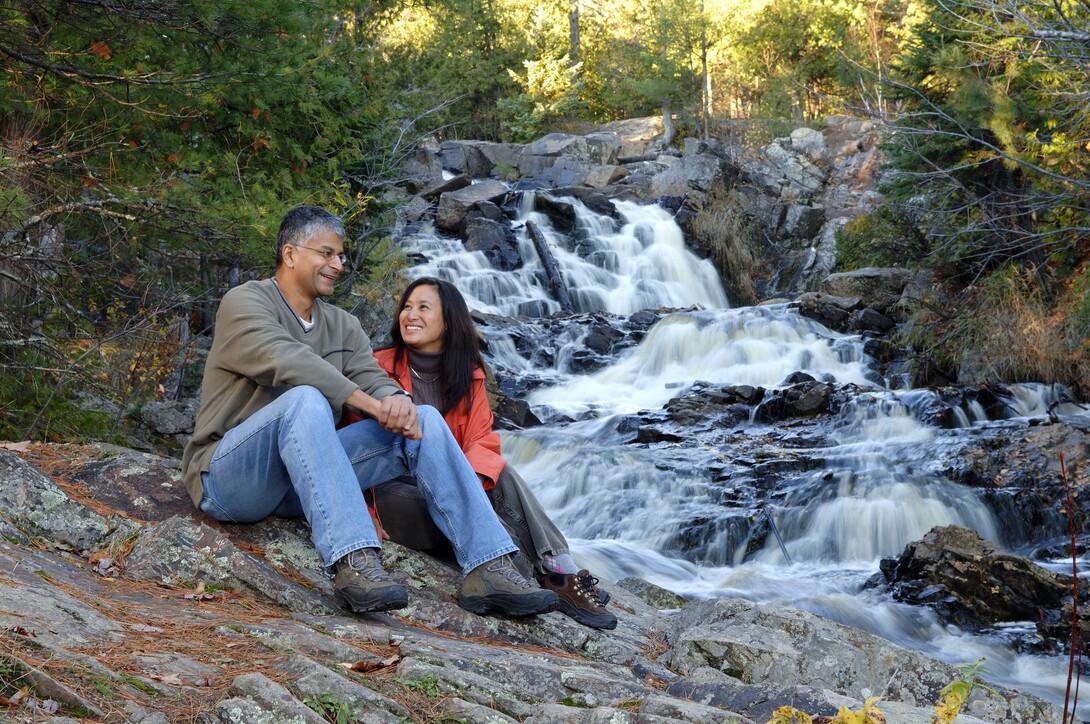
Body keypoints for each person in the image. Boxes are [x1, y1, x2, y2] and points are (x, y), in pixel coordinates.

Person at [180, 206, 557, 619]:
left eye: (340, 256)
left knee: (425, 419)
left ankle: (488, 566)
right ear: (290, 254)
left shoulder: (343, 324)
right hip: (231, 479)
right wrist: (372, 405)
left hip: (300, 482)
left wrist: (397, 401)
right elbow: (285, 360)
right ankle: (355, 561)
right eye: (326, 253)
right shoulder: (246, 301)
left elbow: (372, 375)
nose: (337, 265)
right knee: (306, 399)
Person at [368, 276, 618, 630]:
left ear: (448, 321)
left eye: (423, 307)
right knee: (477, 499)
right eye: (407, 306)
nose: (410, 314)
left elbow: (480, 442)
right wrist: (363, 511)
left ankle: (561, 569)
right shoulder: (377, 365)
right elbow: (349, 442)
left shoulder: (466, 375)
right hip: (391, 494)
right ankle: (536, 576)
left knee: (500, 471)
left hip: (444, 487)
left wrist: (465, 486)